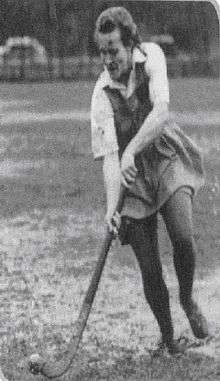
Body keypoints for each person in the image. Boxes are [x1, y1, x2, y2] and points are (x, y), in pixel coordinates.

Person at [91, 6, 209, 354]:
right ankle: (169, 337)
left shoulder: (152, 56)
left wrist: (132, 151)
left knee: (183, 236)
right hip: (132, 180)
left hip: (165, 156)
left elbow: (161, 112)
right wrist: (111, 208)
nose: (108, 59)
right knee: (149, 265)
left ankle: (187, 298)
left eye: (113, 49)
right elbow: (111, 159)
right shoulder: (101, 95)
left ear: (130, 43)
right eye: (102, 51)